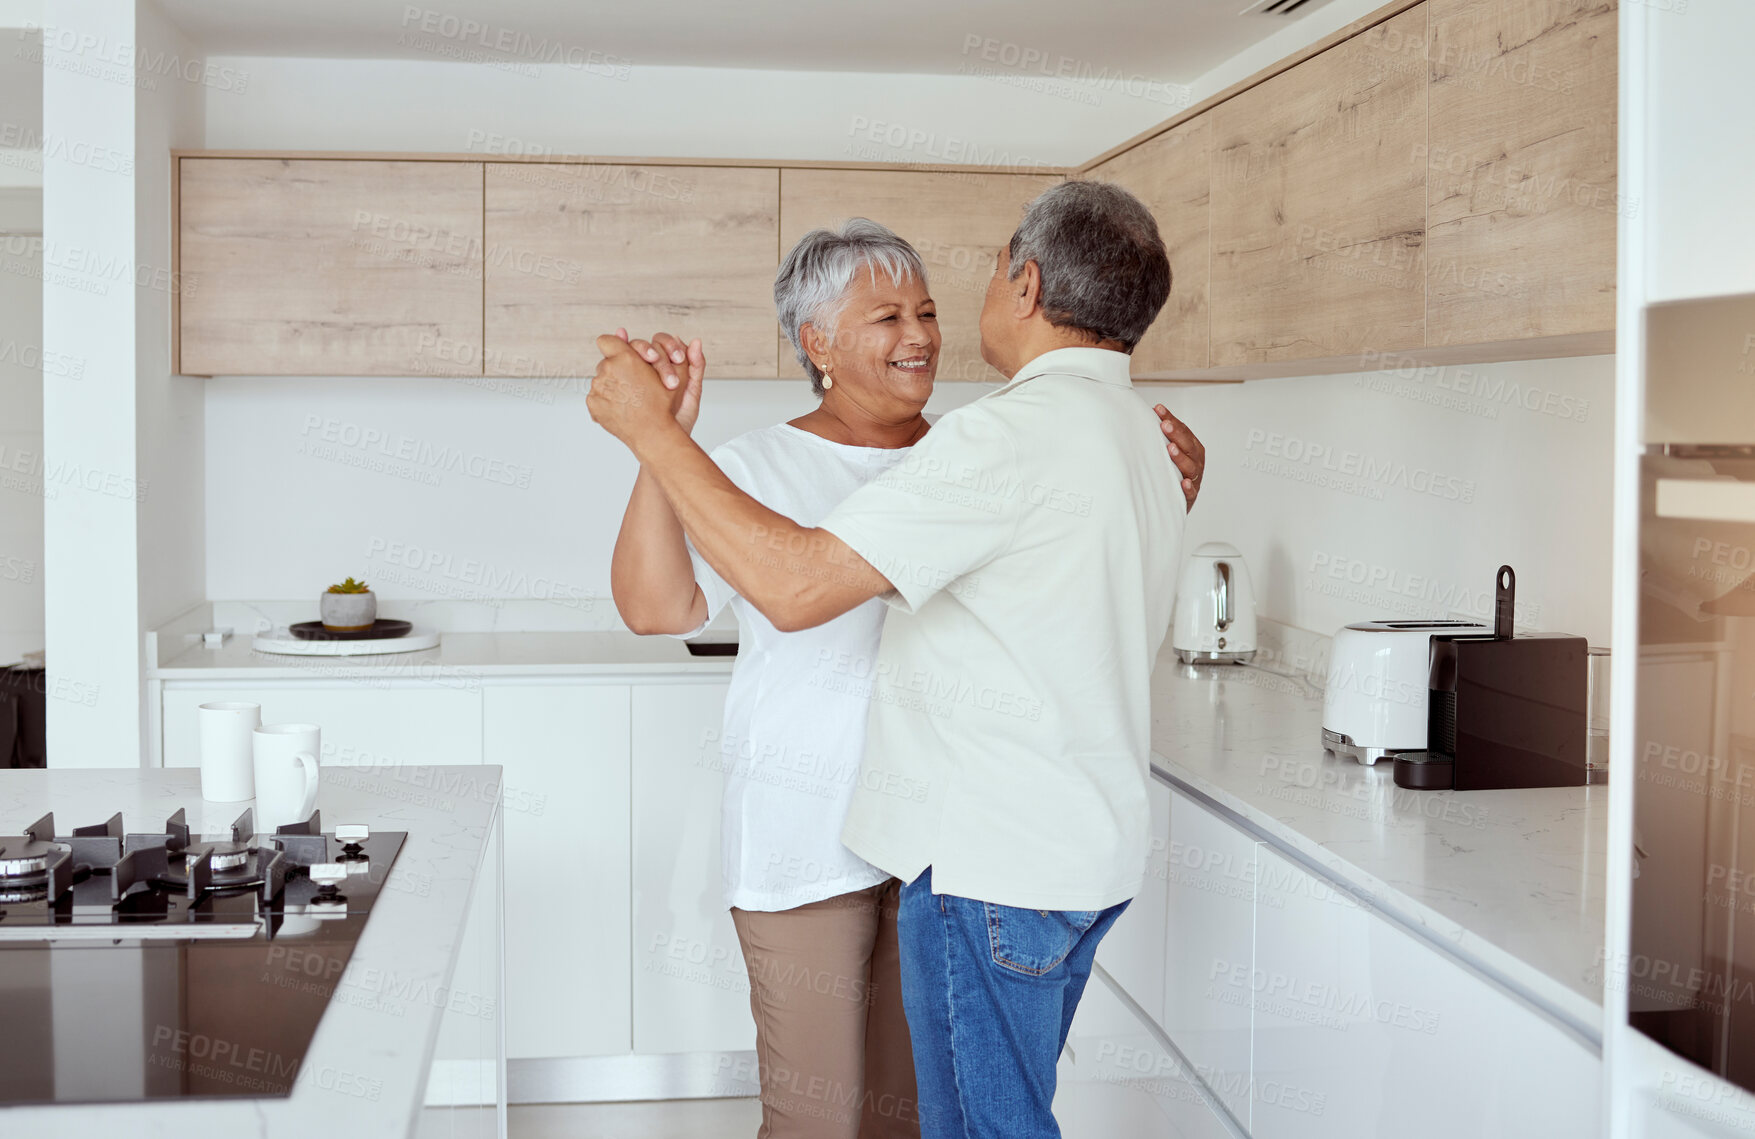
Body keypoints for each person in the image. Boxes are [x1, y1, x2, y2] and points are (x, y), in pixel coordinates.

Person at [597, 188, 1197, 1139]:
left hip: (939, 845)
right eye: (887, 316)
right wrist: (659, 447)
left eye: (925, 310)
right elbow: (656, 605)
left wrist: (655, 434)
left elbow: (814, 584)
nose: (921, 333)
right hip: (812, 832)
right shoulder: (761, 465)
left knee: (916, 1118)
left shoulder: (976, 447)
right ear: (817, 344)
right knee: (817, 1119)